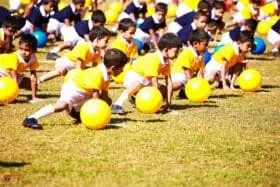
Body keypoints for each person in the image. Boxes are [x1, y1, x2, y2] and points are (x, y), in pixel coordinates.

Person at [22, 48, 128, 129]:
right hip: (73, 89)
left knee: (106, 101)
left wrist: (107, 104)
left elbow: (104, 95)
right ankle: (32, 118)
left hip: (84, 92)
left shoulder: (107, 76)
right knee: (61, 106)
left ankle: (75, 110)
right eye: (121, 68)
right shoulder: (97, 74)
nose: (122, 71)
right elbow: (96, 101)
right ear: (113, 68)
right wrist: (97, 115)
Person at [111, 33, 182, 115]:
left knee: (165, 90)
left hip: (146, 81)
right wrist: (156, 106)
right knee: (138, 83)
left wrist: (168, 104)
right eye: (176, 52)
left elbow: (169, 83)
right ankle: (117, 104)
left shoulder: (166, 62)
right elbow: (154, 85)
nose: (177, 55)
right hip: (133, 77)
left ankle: (137, 98)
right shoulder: (154, 59)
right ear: (166, 50)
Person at [38, 26, 110, 84]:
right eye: (106, 41)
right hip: (66, 62)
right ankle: (40, 79)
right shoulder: (84, 47)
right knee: (62, 71)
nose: (107, 44)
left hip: (77, 66)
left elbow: (94, 66)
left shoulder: (98, 52)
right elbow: (78, 65)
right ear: (97, 40)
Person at [0, 34, 41, 103]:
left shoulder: (33, 58)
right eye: (21, 49)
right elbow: (14, 79)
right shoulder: (14, 57)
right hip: (2, 71)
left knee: (31, 83)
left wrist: (34, 97)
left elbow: (33, 77)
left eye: (27, 50)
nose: (23, 52)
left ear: (33, 50)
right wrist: (13, 96)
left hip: (10, 74)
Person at [171, 30, 210, 98]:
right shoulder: (187, 53)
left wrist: (200, 85)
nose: (207, 47)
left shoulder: (201, 55)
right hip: (178, 74)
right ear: (195, 44)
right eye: (205, 44)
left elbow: (200, 72)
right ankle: (165, 90)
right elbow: (186, 71)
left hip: (189, 76)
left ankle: (184, 92)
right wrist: (191, 87)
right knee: (178, 85)